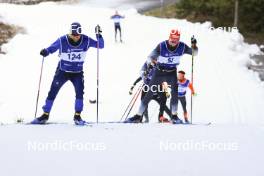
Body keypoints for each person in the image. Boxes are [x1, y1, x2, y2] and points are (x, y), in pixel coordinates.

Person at [31, 22, 104, 125]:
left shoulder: (86, 40)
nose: (76, 37)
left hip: (77, 73)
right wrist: (46, 51)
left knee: (79, 93)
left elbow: (100, 45)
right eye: (74, 35)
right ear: (70, 34)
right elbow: (52, 48)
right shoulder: (62, 40)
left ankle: (77, 116)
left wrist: (99, 35)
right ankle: (45, 114)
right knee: (52, 92)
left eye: (78, 35)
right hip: (62, 72)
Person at [125, 29, 198, 124]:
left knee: (174, 92)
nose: (173, 41)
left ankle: (174, 116)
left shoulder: (182, 46)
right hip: (159, 71)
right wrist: (151, 62)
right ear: (169, 37)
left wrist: (194, 45)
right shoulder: (162, 45)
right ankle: (138, 116)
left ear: (178, 39)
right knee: (149, 93)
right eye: (171, 38)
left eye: (175, 39)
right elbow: (150, 56)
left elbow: (194, 53)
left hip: (171, 72)